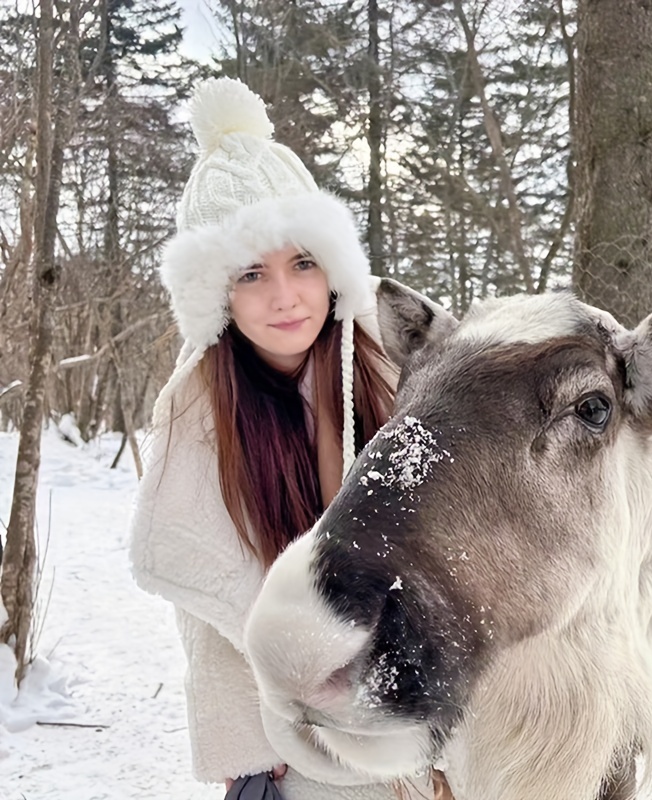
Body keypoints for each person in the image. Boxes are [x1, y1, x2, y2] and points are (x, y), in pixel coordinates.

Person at [128, 77, 437, 800]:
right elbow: (199, 583)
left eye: (303, 262)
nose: (285, 296)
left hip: (419, 710)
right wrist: (249, 729)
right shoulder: (200, 410)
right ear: (218, 295)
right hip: (292, 734)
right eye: (251, 274)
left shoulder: (395, 363)